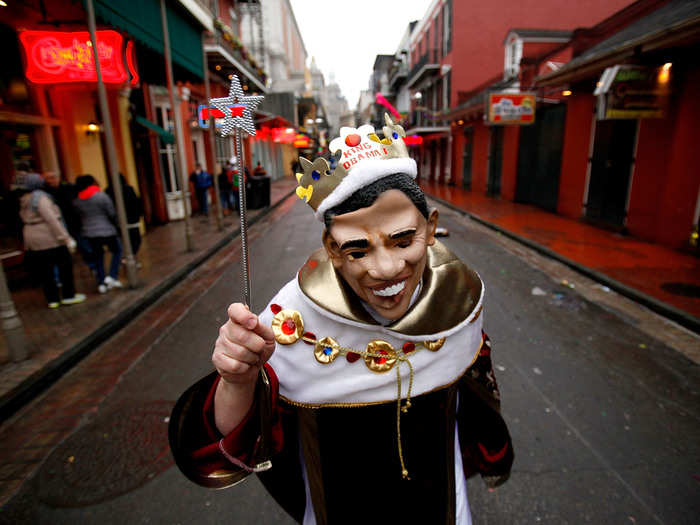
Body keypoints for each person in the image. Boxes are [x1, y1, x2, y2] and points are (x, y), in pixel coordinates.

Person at [170, 116, 513, 524]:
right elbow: (230, 444)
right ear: (332, 249)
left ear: (432, 227)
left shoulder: (458, 299)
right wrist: (237, 379)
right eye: (357, 250)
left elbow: (475, 385)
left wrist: (493, 452)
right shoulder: (291, 323)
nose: (386, 269)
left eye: (403, 240)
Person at [13, 171, 86, 309]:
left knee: (45, 271)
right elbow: (51, 219)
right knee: (65, 266)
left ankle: (52, 299)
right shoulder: (40, 198)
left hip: (33, 239)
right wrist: (66, 238)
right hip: (49, 238)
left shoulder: (24, 198)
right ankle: (68, 295)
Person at [73, 175, 123, 294]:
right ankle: (112, 276)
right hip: (107, 230)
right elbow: (111, 212)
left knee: (98, 257)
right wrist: (117, 225)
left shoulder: (77, 200)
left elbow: (78, 217)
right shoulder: (101, 196)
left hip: (89, 233)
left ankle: (101, 282)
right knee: (117, 250)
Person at [106, 174, 143, 258]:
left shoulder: (108, 191)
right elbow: (136, 203)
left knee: (123, 240)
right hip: (131, 220)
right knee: (135, 240)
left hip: (118, 221)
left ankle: (127, 257)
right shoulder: (128, 189)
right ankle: (130, 257)